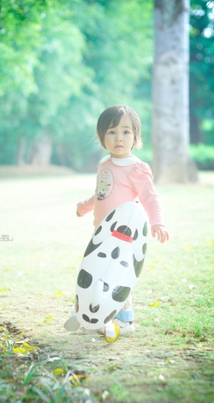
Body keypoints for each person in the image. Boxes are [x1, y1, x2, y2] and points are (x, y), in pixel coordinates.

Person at [76, 105, 169, 339]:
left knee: (118, 277)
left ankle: (125, 319)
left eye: (126, 132)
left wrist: (158, 222)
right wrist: (85, 206)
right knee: (98, 275)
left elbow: (150, 198)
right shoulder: (104, 163)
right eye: (112, 132)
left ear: (136, 137)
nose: (119, 137)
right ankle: (98, 314)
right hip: (101, 234)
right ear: (101, 137)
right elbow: (102, 193)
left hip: (124, 235)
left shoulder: (137, 169)